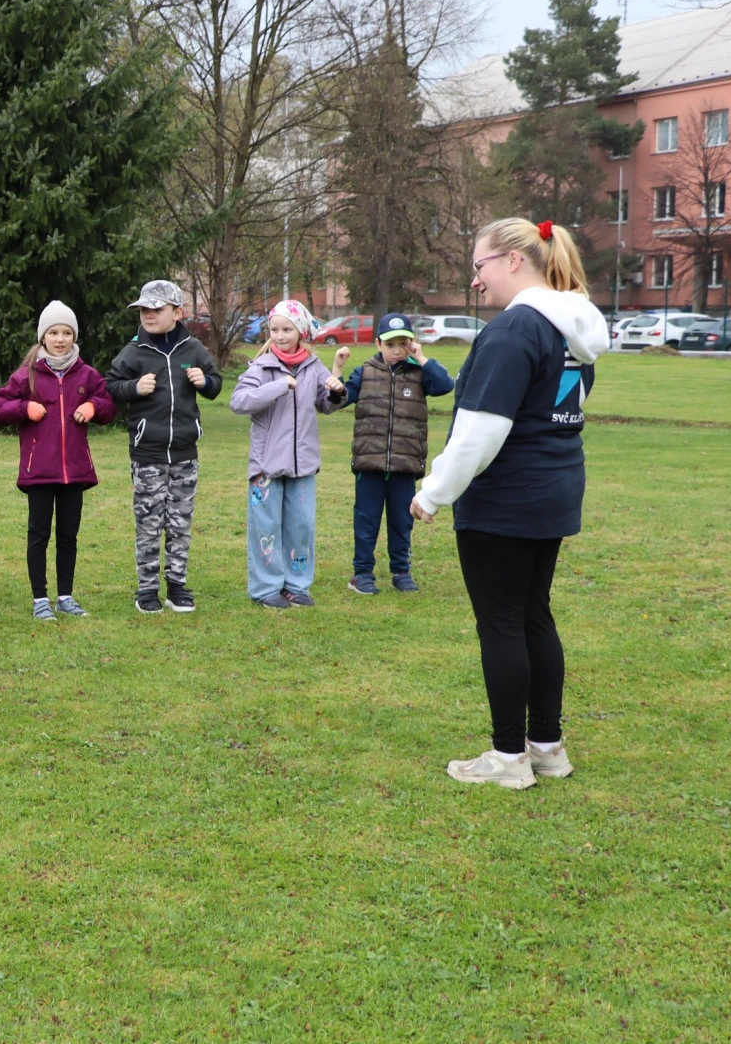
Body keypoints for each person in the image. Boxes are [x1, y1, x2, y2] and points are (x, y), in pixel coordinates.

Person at [412, 219, 606, 790]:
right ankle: (546, 747)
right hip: (554, 491)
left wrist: (433, 492)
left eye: (479, 266)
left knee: (501, 622)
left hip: (506, 499)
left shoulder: (515, 330)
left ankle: (507, 758)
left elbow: (481, 430)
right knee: (533, 615)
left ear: (514, 261)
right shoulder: (569, 328)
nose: (475, 280)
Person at [0, 300, 116, 619]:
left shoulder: (87, 374)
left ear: (74, 337)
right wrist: (24, 408)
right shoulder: (27, 376)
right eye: (54, 333)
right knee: (39, 535)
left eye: (67, 333)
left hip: (75, 472)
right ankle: (40, 600)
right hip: (40, 472)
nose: (60, 339)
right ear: (43, 337)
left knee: (68, 536)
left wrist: (93, 407)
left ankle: (65, 596)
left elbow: (108, 406)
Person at [105, 280, 224, 614]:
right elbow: (110, 386)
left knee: (180, 523)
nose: (149, 315)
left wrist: (205, 382)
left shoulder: (193, 348)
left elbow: (216, 385)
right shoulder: (134, 351)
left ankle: (177, 587)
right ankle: (147, 590)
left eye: (156, 309)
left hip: (185, 454)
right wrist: (134, 387)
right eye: (144, 309)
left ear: (177, 312)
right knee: (149, 523)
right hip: (148, 455)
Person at [228, 299, 348, 609]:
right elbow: (239, 402)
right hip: (266, 467)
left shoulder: (313, 366)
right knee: (266, 528)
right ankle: (266, 588)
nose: (280, 336)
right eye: (274, 330)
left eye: (287, 329)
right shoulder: (262, 366)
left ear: (301, 332)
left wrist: (336, 391)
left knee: (302, 526)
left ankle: (296, 586)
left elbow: (326, 405)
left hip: (303, 465)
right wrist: (279, 386)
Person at [337, 312, 454, 596]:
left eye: (403, 344)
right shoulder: (364, 373)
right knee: (367, 521)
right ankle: (362, 573)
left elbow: (446, 385)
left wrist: (421, 358)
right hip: (370, 463)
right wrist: (337, 371)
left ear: (412, 343)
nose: (397, 351)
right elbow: (338, 399)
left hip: (405, 463)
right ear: (378, 344)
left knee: (402, 522)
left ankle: (401, 572)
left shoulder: (419, 374)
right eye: (390, 345)